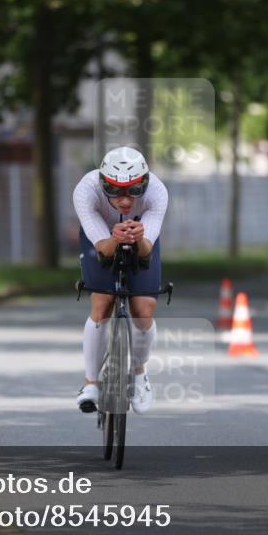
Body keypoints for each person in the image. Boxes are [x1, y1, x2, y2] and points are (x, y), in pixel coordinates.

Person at [72, 147, 168, 415]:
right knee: (102, 303)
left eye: (134, 191)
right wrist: (114, 238)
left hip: (143, 235)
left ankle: (139, 374)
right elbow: (103, 248)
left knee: (144, 309)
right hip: (101, 236)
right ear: (103, 185)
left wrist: (138, 237)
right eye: (115, 191)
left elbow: (147, 249)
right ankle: (91, 383)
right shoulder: (85, 190)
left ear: (145, 184)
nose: (125, 201)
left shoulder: (158, 192)